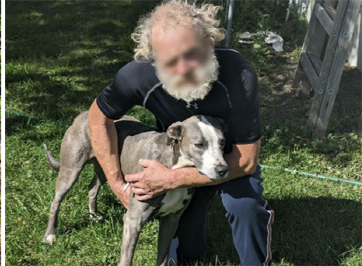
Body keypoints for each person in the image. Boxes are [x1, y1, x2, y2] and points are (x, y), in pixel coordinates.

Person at [86, 1, 273, 265]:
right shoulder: (138, 76)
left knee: (244, 206)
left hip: (230, 158)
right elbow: (97, 120)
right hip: (180, 156)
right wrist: (118, 184)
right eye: (171, 61)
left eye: (191, 54)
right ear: (154, 56)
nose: (183, 68)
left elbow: (247, 160)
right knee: (187, 252)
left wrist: (172, 180)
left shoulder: (238, 74)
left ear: (209, 42)